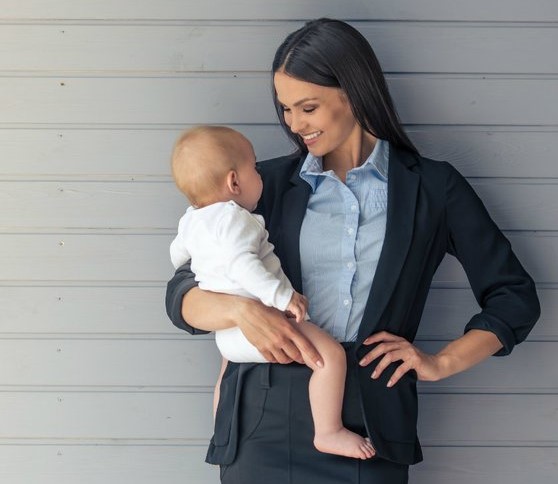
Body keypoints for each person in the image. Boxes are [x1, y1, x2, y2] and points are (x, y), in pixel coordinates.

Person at [165, 18, 540, 484]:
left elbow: (513, 297)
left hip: (371, 423)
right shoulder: (263, 185)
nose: (294, 124)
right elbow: (182, 292)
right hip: (260, 418)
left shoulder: (432, 189)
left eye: (308, 107)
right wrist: (242, 311)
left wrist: (441, 362)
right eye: (285, 109)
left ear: (354, 93)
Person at [169, 125, 375, 460]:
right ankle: (329, 431)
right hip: (266, 323)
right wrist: (283, 297)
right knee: (330, 357)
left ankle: (223, 435)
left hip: (228, 336)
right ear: (235, 182)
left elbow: (179, 258)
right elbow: (243, 266)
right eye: (254, 167)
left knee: (226, 373)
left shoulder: (191, 221)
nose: (260, 174)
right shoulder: (238, 219)